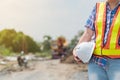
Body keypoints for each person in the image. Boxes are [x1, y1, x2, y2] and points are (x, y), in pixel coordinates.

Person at [73, 0, 120, 80]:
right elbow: (88, 33)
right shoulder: (98, 8)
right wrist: (77, 49)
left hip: (117, 63)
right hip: (96, 63)